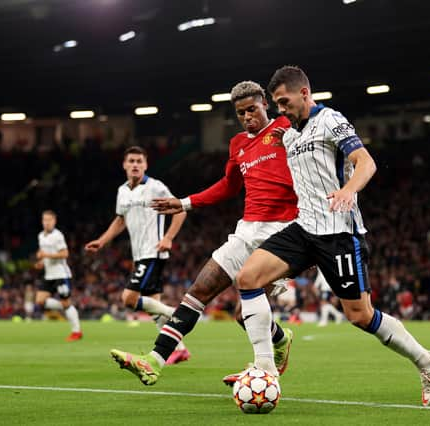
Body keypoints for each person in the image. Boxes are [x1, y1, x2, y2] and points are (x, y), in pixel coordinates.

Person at [233, 65, 430, 407]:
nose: (281, 109)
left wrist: (348, 190)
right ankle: (265, 368)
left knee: (360, 315)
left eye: (284, 101)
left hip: (339, 233)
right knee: (247, 277)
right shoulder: (289, 136)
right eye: (276, 104)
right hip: (304, 229)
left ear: (304, 93)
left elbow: (366, 162)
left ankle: (426, 360)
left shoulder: (331, 120)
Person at [109, 81, 297, 385]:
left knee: (242, 315)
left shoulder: (288, 128)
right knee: (198, 290)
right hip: (246, 231)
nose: (248, 116)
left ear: (266, 103)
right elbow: (228, 186)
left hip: (284, 234)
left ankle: (267, 364)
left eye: (252, 109)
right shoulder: (238, 144)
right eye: (241, 113)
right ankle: (153, 361)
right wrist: (184, 203)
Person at [85, 146, 190, 364]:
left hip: (153, 252)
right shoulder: (122, 191)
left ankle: (177, 313)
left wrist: (168, 237)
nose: (135, 165)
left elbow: (180, 209)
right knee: (153, 308)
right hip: (139, 254)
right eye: (131, 161)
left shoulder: (156, 187)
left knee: (129, 299)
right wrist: (103, 240)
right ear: (124, 165)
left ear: (146, 165)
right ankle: (179, 349)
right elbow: (120, 219)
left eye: (139, 161)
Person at [34, 210, 82, 341]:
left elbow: (65, 254)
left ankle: (76, 332)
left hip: (61, 274)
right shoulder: (41, 236)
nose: (46, 222)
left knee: (65, 302)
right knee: (40, 301)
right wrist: (41, 262)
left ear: (54, 221)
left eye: (49, 220)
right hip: (48, 275)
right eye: (44, 220)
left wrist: (46, 256)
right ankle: (67, 306)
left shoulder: (58, 236)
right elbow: (43, 252)